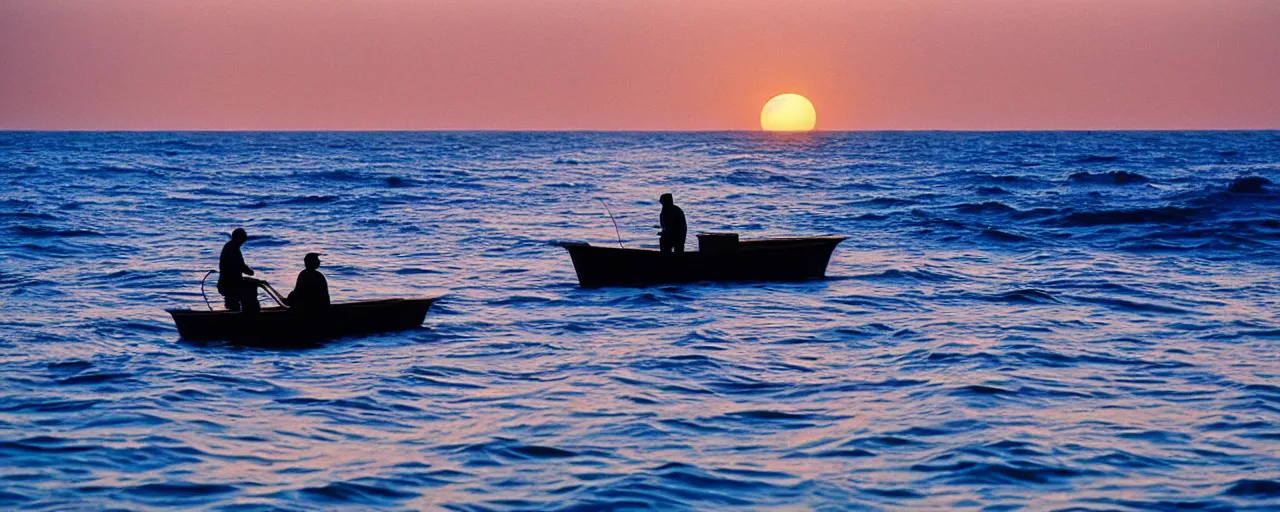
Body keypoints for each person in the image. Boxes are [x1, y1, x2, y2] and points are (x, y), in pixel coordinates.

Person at [217, 228, 261, 313]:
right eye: (242, 240)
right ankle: (250, 314)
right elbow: (240, 266)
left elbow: (238, 268)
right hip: (229, 284)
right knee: (251, 289)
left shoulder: (231, 247)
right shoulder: (232, 249)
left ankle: (244, 311)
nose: (243, 242)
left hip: (231, 282)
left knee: (251, 285)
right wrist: (250, 272)